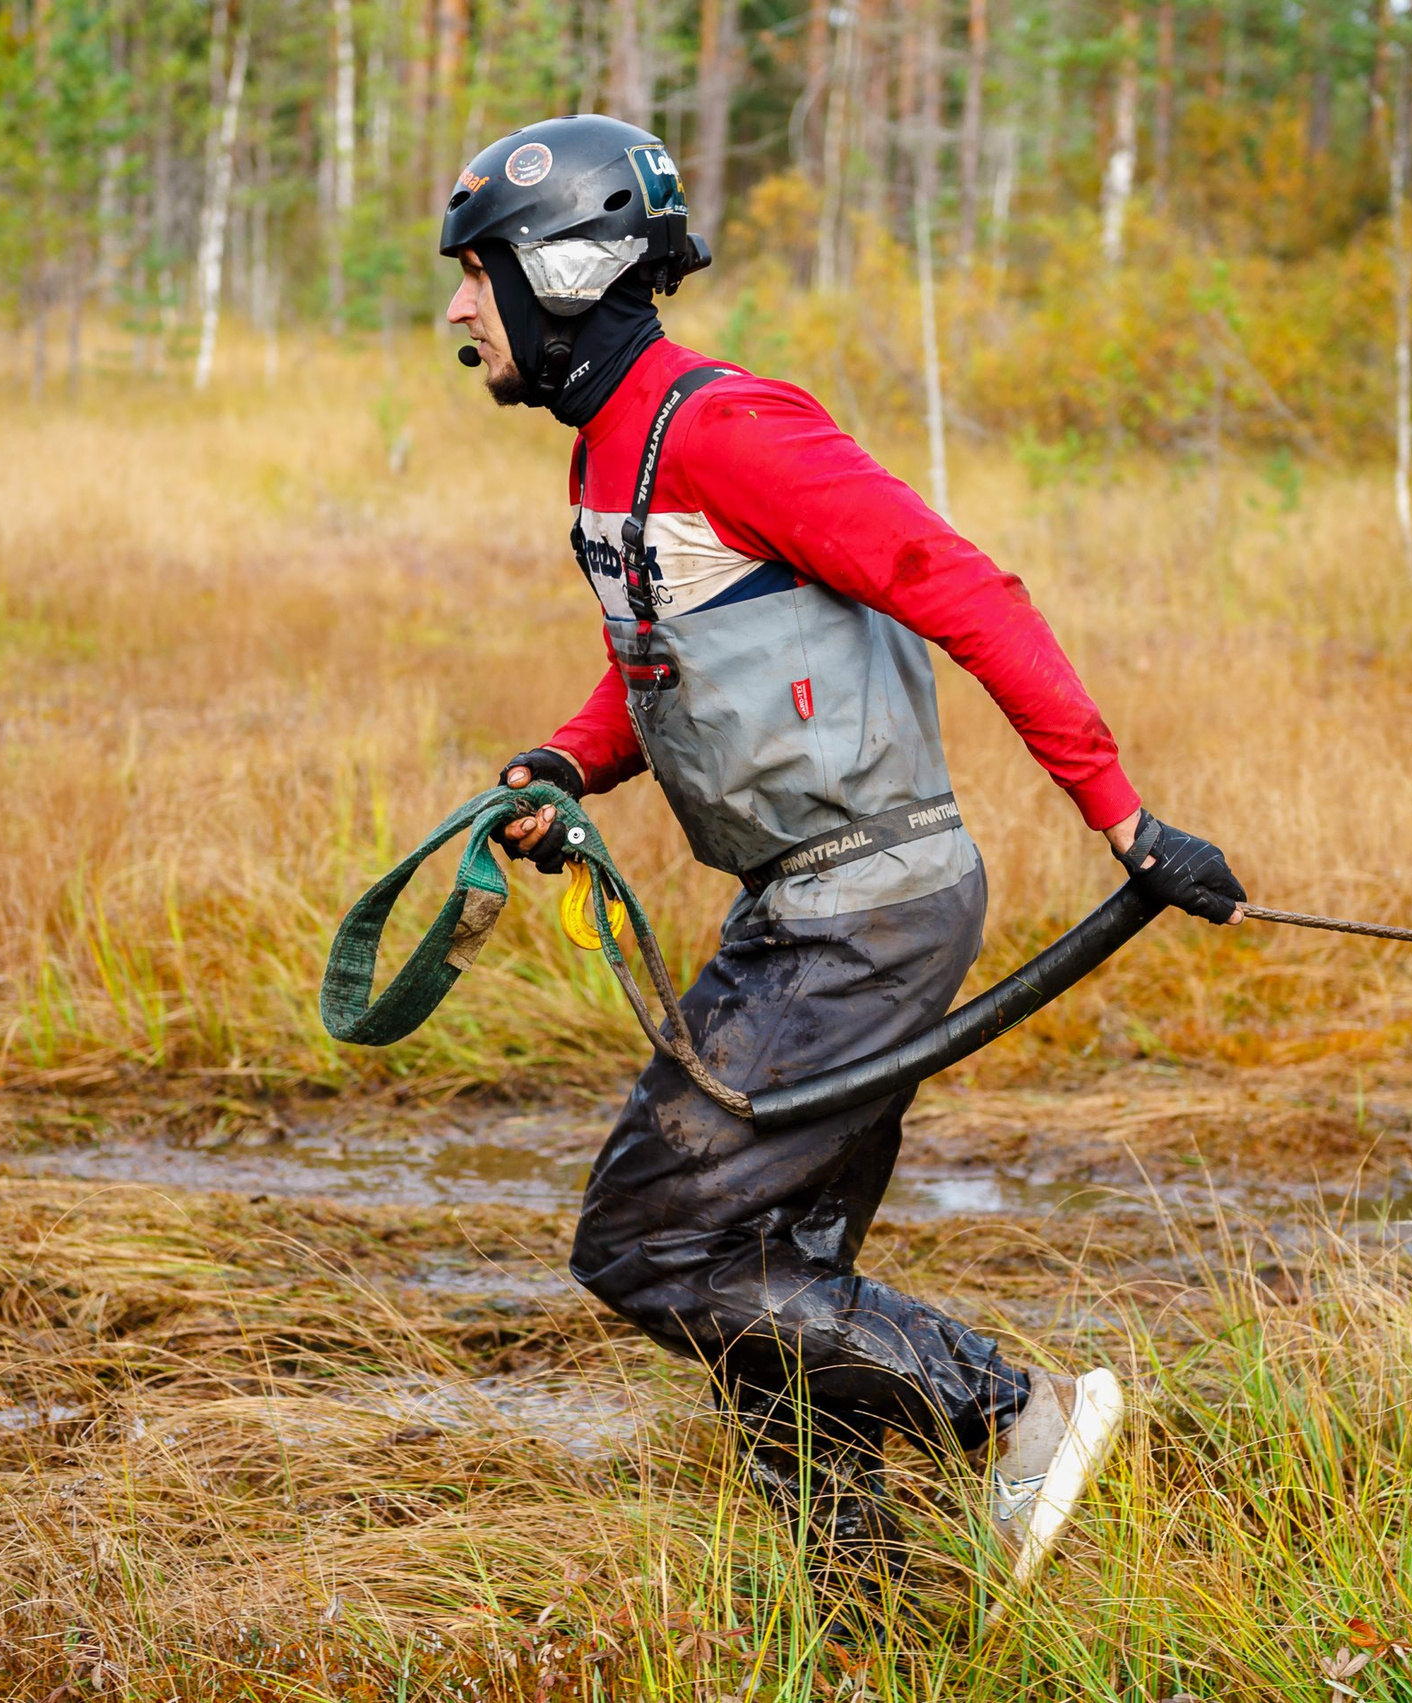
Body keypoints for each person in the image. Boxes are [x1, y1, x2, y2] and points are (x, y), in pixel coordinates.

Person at [438, 114, 1247, 1600]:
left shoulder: (730, 427)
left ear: (560, 272)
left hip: (864, 913)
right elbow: (664, 656)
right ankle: (867, 1612)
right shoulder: (612, 452)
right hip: (805, 904)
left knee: (649, 1243)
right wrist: (564, 763)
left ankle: (1015, 1411)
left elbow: (963, 588)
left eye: (477, 276)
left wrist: (1123, 820)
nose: (456, 310)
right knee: (768, 1272)